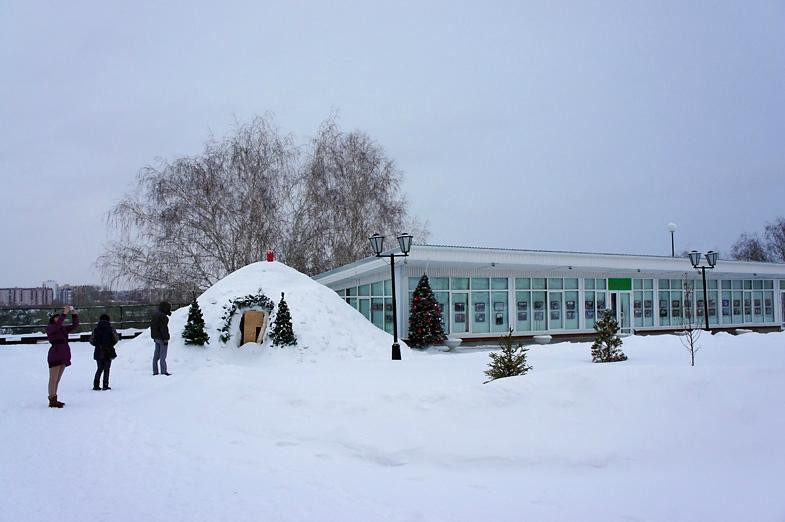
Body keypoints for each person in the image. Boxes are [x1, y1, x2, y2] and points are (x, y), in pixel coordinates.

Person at [46, 306, 80, 408]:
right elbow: (57, 326)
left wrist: (73, 313)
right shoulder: (51, 327)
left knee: (57, 379)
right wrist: (64, 314)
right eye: (56, 317)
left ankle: (54, 398)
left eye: (59, 317)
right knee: (53, 378)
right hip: (55, 354)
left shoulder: (62, 328)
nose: (58, 318)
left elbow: (75, 325)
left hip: (63, 354)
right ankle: (52, 399)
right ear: (52, 319)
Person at [90, 314, 119, 390]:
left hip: (98, 350)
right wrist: (111, 344)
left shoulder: (96, 329)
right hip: (108, 351)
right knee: (107, 369)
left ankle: (96, 385)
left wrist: (97, 345)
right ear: (108, 320)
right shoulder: (111, 328)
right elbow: (116, 339)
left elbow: (91, 340)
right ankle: (105, 385)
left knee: (99, 368)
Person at [150, 301, 172, 376]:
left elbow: (152, 327)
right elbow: (164, 329)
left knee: (156, 356)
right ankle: (164, 371)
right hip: (162, 339)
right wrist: (166, 339)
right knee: (163, 356)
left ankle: (155, 371)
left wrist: (154, 337)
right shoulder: (163, 317)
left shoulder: (155, 314)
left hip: (156, 338)